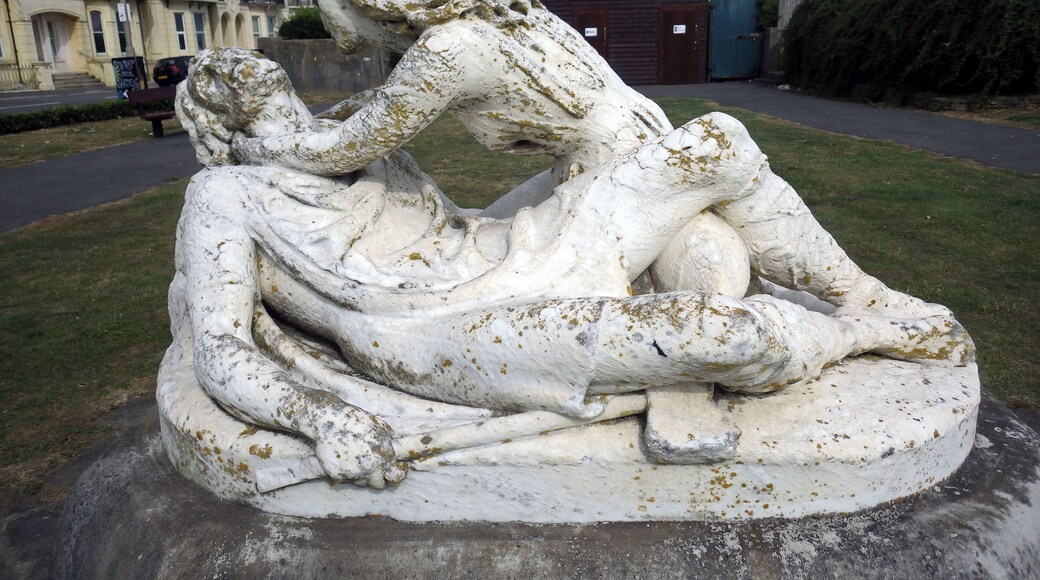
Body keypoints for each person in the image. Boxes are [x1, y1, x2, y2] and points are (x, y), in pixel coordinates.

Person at [173, 48, 972, 489]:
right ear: (224, 128)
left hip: (513, 252)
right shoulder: (225, 196)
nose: (288, 121)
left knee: (714, 142)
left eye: (286, 101)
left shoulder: (352, 142)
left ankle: (864, 295)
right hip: (438, 331)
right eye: (261, 111)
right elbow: (217, 348)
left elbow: (457, 225)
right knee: (719, 332)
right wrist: (321, 416)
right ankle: (859, 335)